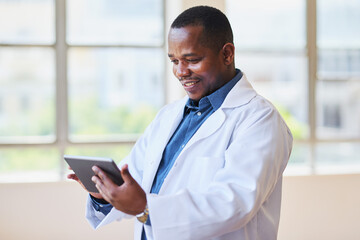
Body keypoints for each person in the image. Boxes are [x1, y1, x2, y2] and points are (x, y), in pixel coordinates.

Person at [68, 5, 293, 240]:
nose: (180, 71)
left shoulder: (260, 119)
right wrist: (106, 194)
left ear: (227, 54)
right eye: (174, 61)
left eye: (192, 60)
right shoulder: (168, 116)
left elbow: (233, 204)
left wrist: (145, 209)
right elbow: (133, 180)